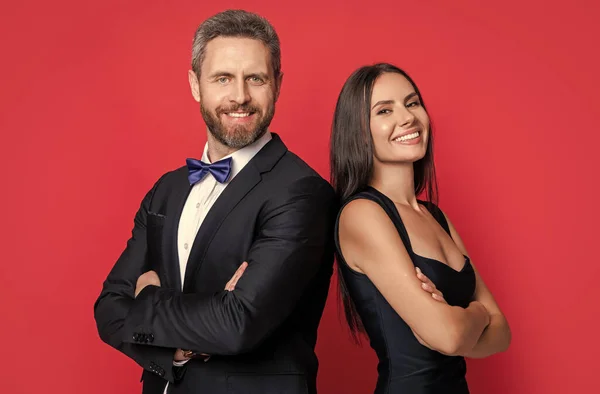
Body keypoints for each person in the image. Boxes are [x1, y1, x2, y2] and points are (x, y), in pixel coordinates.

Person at [94, 10, 337, 394]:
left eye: (255, 78)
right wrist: (179, 351)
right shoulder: (167, 189)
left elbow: (237, 324)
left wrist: (148, 301)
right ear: (195, 84)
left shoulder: (301, 192)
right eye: (223, 78)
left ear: (278, 84)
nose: (239, 96)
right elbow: (108, 309)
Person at [330, 63, 511, 393]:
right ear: (358, 130)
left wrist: (457, 326)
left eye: (412, 103)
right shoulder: (362, 214)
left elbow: (502, 335)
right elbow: (448, 335)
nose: (407, 117)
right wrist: (478, 314)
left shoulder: (436, 216)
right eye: (384, 110)